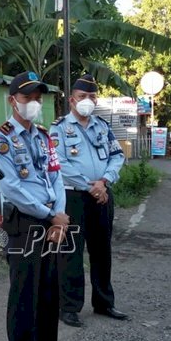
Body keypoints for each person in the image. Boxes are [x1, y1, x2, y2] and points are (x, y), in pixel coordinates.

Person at [0, 71, 77, 341]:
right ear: (13, 101)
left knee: (49, 292)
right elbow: (11, 186)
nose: (34, 104)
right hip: (25, 222)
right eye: (28, 98)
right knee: (24, 297)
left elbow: (56, 175)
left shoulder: (44, 136)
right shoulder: (1, 139)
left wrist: (61, 215)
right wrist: (50, 214)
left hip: (53, 220)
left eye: (38, 98)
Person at [49, 74, 128, 328]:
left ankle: (104, 302)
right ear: (72, 100)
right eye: (83, 97)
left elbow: (117, 156)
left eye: (92, 97)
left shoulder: (102, 126)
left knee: (102, 250)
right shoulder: (59, 128)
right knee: (71, 251)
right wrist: (90, 186)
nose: (88, 101)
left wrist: (103, 182)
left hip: (102, 194)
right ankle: (69, 307)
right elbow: (59, 164)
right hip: (73, 196)